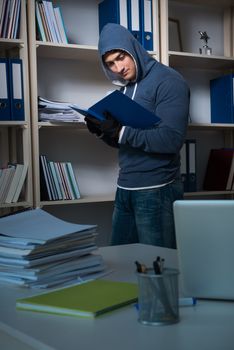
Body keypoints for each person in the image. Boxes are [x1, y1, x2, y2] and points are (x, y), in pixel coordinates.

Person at [85, 23, 190, 249]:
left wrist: (120, 131)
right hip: (125, 187)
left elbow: (170, 140)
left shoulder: (169, 80)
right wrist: (104, 132)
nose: (118, 68)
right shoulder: (126, 87)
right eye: (110, 63)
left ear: (133, 49)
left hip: (157, 189)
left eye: (121, 57)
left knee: (158, 269)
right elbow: (130, 142)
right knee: (121, 266)